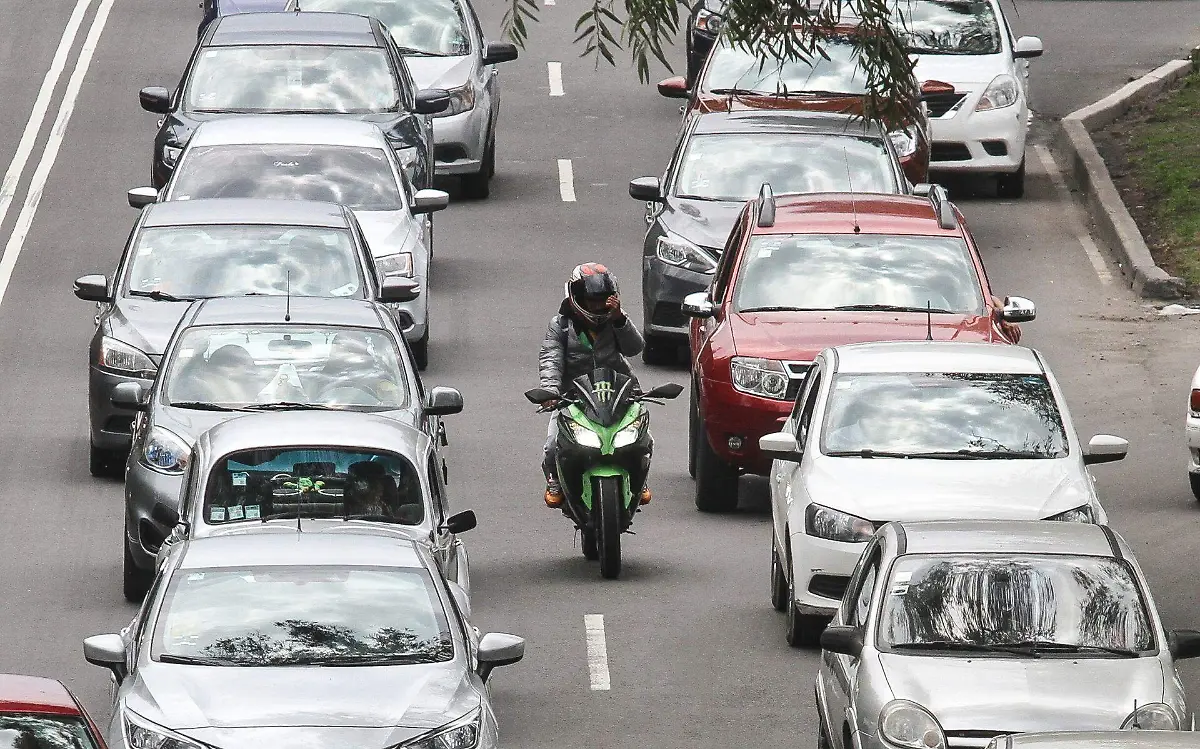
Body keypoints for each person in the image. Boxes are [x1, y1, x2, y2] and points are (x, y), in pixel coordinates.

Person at [537, 263, 652, 508]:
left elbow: (634, 348)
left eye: (604, 300)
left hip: (617, 392)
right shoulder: (560, 326)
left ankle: (638, 480)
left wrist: (620, 319)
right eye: (593, 301)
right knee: (551, 446)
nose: (599, 307)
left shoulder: (615, 320)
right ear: (577, 299)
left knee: (644, 439)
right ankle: (555, 478)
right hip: (573, 397)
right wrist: (551, 392)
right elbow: (551, 359)